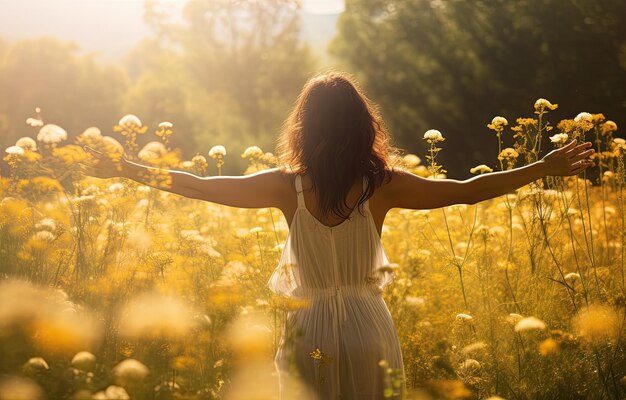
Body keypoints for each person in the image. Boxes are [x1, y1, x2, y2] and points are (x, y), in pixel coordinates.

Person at [84, 72, 595, 399]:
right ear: (363, 125)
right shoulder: (384, 187)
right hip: (369, 328)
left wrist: (126, 167)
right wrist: (541, 167)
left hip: (309, 332)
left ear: (304, 127)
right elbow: (466, 190)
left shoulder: (287, 188)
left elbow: (196, 185)